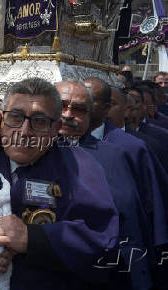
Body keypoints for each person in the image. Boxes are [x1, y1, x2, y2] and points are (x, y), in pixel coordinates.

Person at [0, 78, 119, 290]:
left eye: (40, 121)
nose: (25, 131)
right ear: (1, 119)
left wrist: (31, 238)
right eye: (15, 117)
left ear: (58, 128)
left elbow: (102, 241)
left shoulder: (80, 168)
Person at [57, 80, 152, 289]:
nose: (68, 114)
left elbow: (130, 219)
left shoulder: (113, 156)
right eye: (61, 106)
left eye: (79, 109)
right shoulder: (25, 151)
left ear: (91, 114)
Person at [83, 77, 168, 258]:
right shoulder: (62, 143)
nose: (86, 107)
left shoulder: (133, 147)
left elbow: (154, 203)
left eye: (92, 100)